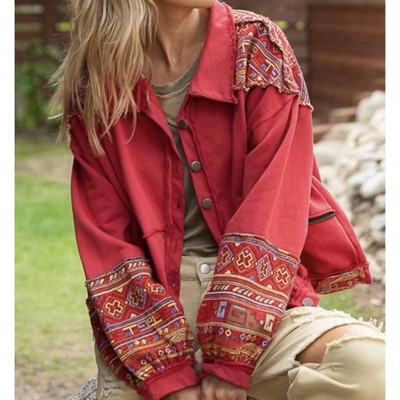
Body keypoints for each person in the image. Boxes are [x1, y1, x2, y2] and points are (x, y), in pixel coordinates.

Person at [51, 1, 385, 399]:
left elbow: (274, 205)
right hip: (153, 317)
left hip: (264, 311)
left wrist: (232, 355)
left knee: (372, 370)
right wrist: (169, 380)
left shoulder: (256, 46)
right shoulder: (98, 79)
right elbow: (108, 242)